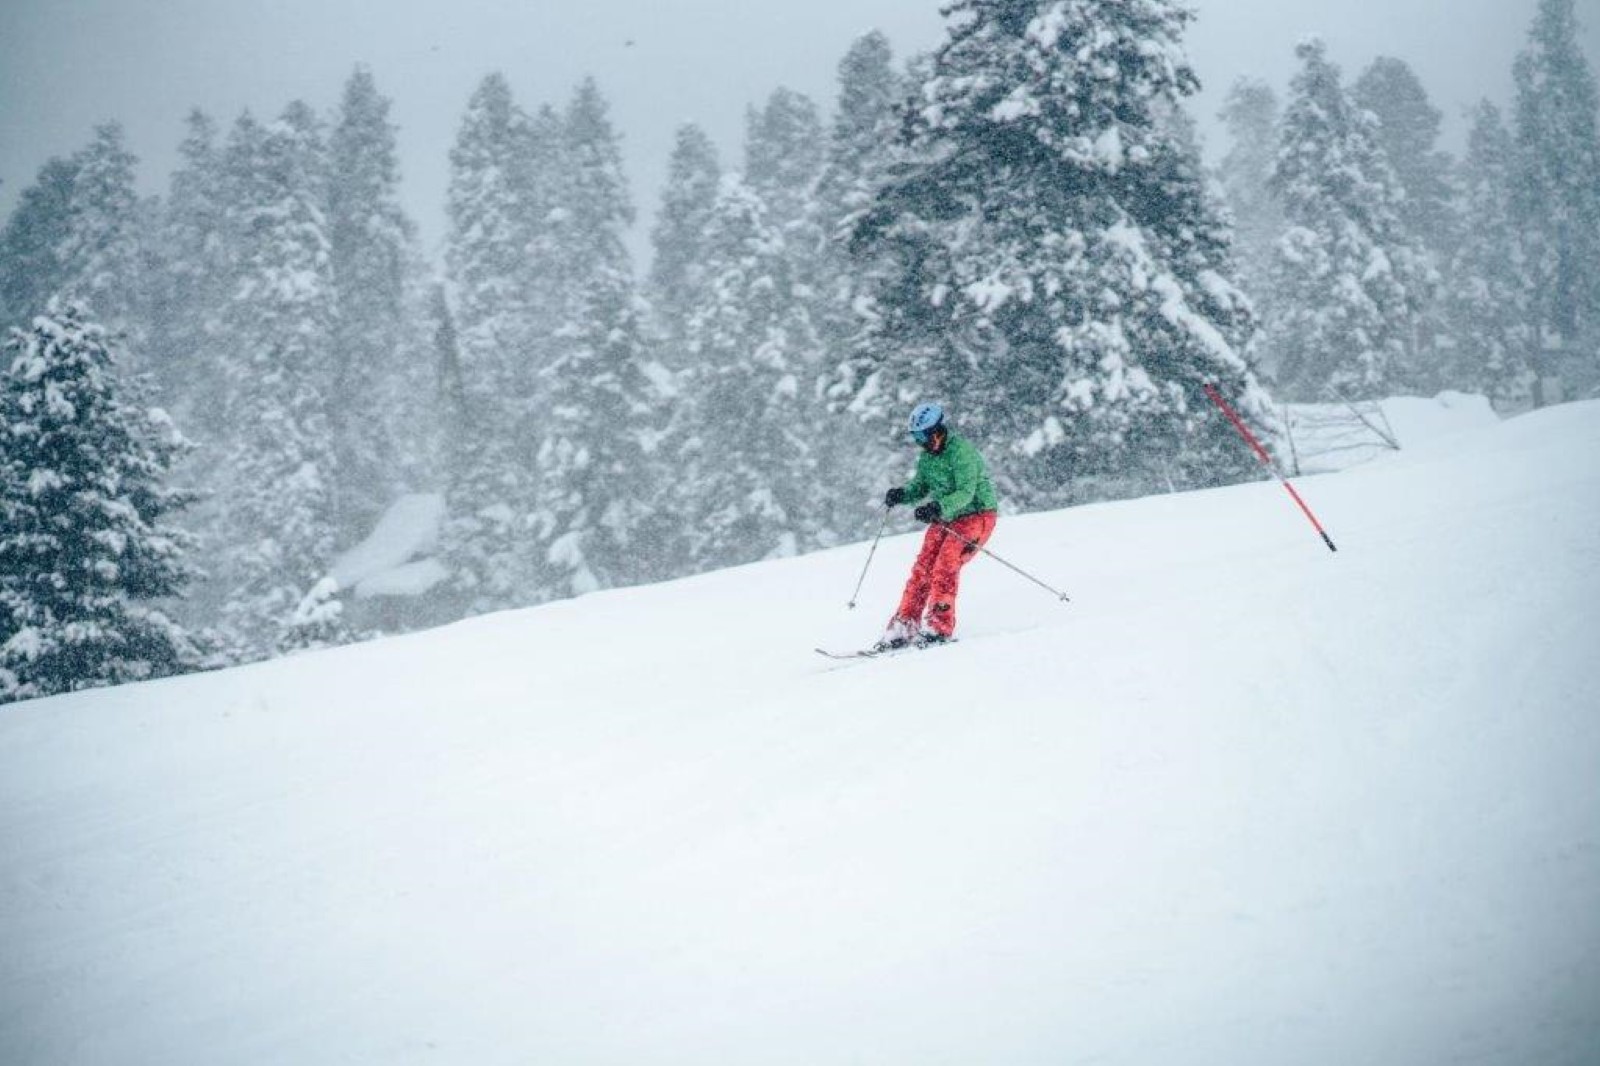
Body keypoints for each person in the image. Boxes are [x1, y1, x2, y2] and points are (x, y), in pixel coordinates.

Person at [876, 402, 999, 651]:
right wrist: (901, 494)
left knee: (946, 563)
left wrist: (938, 507)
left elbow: (966, 492)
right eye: (915, 437)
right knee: (923, 566)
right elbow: (919, 487)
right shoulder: (927, 458)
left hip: (977, 515)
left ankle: (938, 627)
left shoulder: (961, 452)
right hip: (947, 516)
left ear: (937, 430)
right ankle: (904, 626)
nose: (920, 441)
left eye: (922, 435)